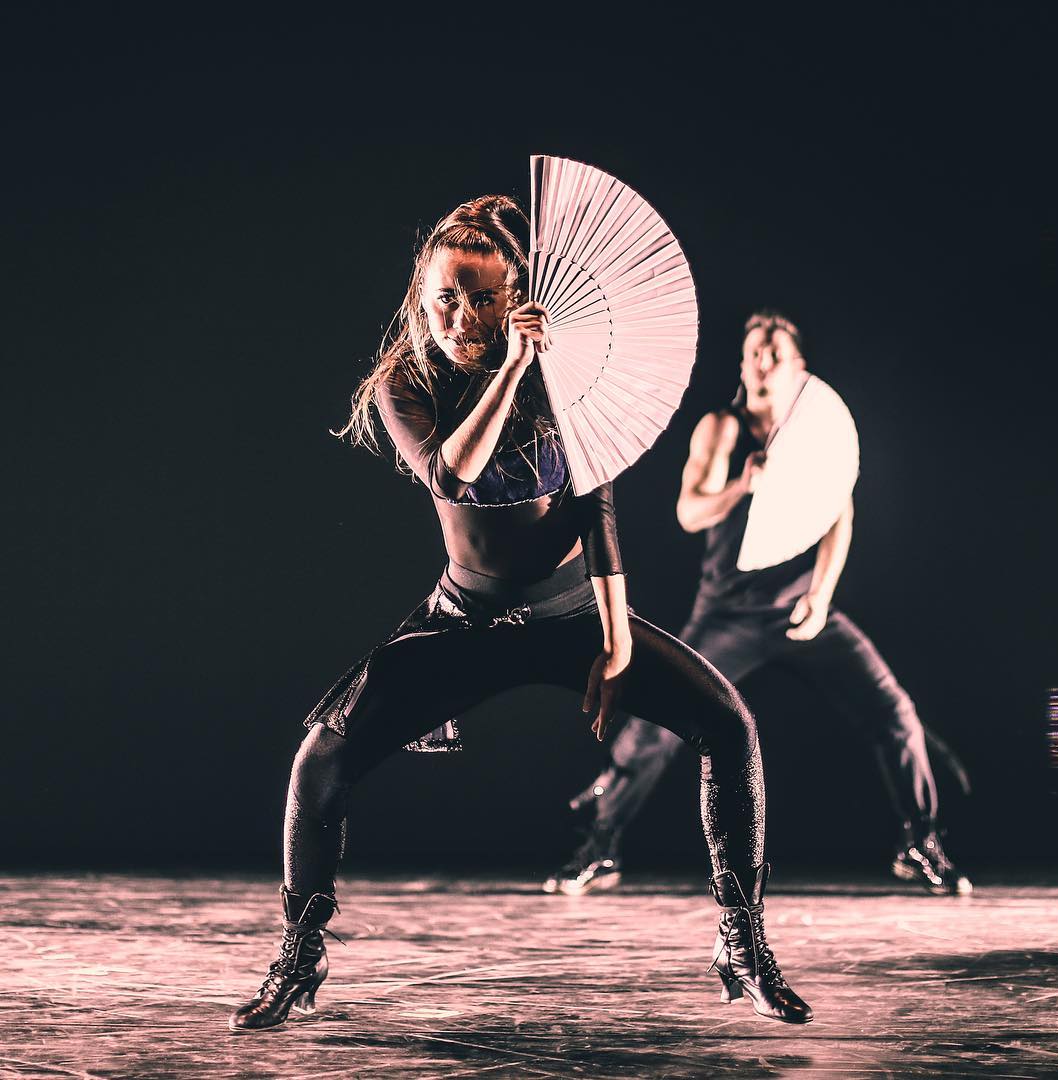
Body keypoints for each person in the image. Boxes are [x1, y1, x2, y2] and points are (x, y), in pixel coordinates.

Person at [228, 199, 814, 1031]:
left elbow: (597, 504)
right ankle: (300, 955)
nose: (460, 317)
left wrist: (616, 639)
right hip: (465, 622)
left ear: (516, 302)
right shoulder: (405, 381)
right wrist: (508, 371)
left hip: (570, 616)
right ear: (421, 296)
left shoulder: (564, 379)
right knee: (318, 758)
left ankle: (741, 943)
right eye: (445, 297)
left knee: (730, 725)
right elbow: (452, 475)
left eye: (483, 298)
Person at [545, 311, 972, 899]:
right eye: (753, 354)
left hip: (802, 613)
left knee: (895, 713)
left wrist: (820, 596)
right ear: (743, 366)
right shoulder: (722, 429)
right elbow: (689, 512)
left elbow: (839, 518)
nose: (762, 364)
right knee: (656, 724)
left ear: (799, 368)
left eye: (774, 354)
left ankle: (921, 843)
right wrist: (742, 483)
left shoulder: (815, 433)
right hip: (729, 614)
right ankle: (600, 847)